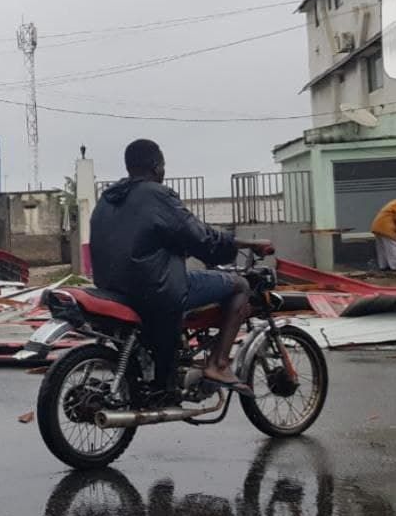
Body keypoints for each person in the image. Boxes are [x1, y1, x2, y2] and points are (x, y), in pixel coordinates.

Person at [89, 139, 274, 399]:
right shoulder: (157, 195)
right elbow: (201, 237)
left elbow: (146, 238)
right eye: (163, 166)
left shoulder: (109, 198)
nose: (164, 173)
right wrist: (245, 243)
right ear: (155, 167)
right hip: (155, 288)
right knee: (240, 285)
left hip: (112, 287)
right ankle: (218, 364)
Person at [370, 197, 396, 271]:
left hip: (378, 226)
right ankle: (395, 267)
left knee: (382, 247)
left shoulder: (394, 203)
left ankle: (384, 266)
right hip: (386, 227)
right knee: (393, 245)